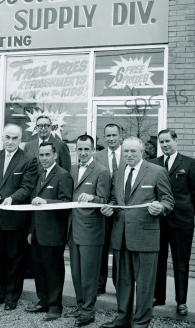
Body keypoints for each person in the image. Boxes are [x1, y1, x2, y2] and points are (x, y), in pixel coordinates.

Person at [100, 136, 174, 328]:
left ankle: (141, 322)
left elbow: (168, 201)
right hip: (121, 236)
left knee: (145, 285)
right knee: (122, 283)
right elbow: (116, 200)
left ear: (142, 152)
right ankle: (123, 319)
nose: (129, 155)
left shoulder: (157, 171)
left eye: (133, 151)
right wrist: (110, 208)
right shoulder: (117, 173)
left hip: (145, 236)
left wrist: (161, 208)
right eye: (126, 151)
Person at [0, 123, 38, 311]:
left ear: (20, 139)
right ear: (2, 137)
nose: (11, 141)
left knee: (15, 260)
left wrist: (11, 199)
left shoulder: (29, 160)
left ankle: (12, 297)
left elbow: (27, 187)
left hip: (15, 219)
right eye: (8, 137)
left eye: (15, 138)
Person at [152, 129, 195, 316]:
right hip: (158, 221)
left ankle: (181, 301)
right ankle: (158, 296)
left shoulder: (190, 164)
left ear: (176, 141)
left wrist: (188, 211)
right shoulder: (154, 164)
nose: (165, 145)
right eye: (161, 142)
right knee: (158, 260)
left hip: (182, 222)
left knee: (181, 262)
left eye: (168, 141)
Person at [66, 134, 111, 327]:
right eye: (80, 149)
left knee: (89, 273)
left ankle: (88, 311)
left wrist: (92, 198)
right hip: (72, 229)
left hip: (91, 231)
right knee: (76, 272)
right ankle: (80, 305)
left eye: (86, 149)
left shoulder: (101, 171)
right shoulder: (72, 169)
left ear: (93, 150)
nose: (83, 153)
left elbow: (105, 200)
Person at [26, 142, 73, 322]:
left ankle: (55, 306)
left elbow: (66, 203)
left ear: (55, 155)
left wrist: (46, 202)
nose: (44, 158)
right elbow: (34, 205)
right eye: (41, 155)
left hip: (53, 234)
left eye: (47, 155)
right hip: (38, 232)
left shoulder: (63, 175)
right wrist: (32, 230)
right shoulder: (40, 174)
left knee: (53, 270)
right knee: (39, 269)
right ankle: (43, 300)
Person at [23, 115, 72, 278]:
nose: (43, 128)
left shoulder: (60, 146)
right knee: (38, 264)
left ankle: (52, 301)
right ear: (35, 128)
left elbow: (64, 177)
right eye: (40, 125)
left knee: (52, 265)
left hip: (52, 218)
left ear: (52, 127)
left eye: (46, 125)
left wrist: (47, 200)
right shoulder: (29, 146)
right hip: (35, 212)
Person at [94, 123, 124, 296]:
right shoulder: (98, 156)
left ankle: (120, 284)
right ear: (104, 138)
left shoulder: (127, 154)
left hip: (121, 208)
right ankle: (100, 284)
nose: (111, 139)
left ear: (120, 135)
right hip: (103, 210)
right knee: (102, 247)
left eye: (114, 135)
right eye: (108, 136)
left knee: (119, 247)